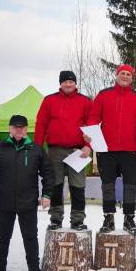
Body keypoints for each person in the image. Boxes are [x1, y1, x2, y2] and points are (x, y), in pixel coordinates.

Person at [0, 115, 54, 271]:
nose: (19, 130)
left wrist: (47, 194)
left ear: (27, 129)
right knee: (2, 238)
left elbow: (48, 173)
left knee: (30, 237)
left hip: (28, 202)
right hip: (4, 204)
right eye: (15, 127)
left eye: (22, 127)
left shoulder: (36, 149)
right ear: (9, 128)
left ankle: (34, 270)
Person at [86, 64, 136, 234]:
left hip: (130, 150)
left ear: (132, 77)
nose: (125, 76)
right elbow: (93, 117)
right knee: (107, 185)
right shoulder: (104, 95)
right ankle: (108, 218)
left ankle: (129, 218)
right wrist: (92, 133)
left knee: (130, 185)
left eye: (129, 74)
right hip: (106, 150)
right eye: (123, 73)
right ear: (117, 75)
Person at [35, 70, 92, 231]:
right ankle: (56, 218)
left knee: (78, 187)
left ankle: (77, 220)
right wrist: (38, 149)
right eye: (65, 81)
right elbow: (41, 125)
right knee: (55, 186)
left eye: (71, 81)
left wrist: (89, 146)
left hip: (78, 151)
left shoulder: (86, 101)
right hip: (55, 151)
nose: (68, 84)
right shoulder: (49, 101)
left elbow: (93, 125)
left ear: (75, 83)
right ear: (60, 83)